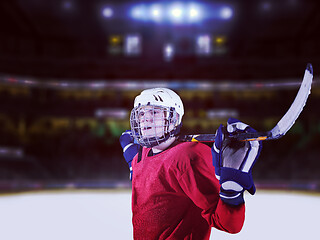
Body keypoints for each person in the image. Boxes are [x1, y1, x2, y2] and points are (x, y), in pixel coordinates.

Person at [120, 88, 262, 240]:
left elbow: (229, 224)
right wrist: (131, 158)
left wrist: (231, 189)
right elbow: (148, 168)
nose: (145, 119)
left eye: (154, 112)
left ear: (173, 119)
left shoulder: (188, 156)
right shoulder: (142, 154)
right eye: (141, 113)